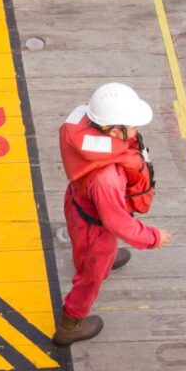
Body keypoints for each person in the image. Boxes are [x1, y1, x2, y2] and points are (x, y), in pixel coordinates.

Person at [54, 82, 167, 347]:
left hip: (78, 204)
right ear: (115, 129)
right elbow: (116, 222)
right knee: (90, 278)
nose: (137, 130)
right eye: (133, 125)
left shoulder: (89, 122)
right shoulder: (105, 178)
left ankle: (104, 257)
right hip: (96, 228)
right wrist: (152, 237)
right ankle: (70, 326)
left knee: (92, 254)